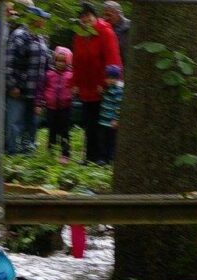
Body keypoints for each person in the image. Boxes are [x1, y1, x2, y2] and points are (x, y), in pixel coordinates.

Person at [72, 2, 121, 165]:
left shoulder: (105, 31)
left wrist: (106, 82)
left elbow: (113, 59)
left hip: (103, 86)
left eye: (88, 15)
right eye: (82, 16)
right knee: (89, 122)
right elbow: (76, 62)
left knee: (104, 123)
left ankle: (104, 157)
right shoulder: (79, 35)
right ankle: (90, 156)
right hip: (86, 86)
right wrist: (75, 83)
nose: (85, 19)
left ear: (94, 16)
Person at [5, 5, 52, 154]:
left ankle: (27, 153)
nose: (44, 21)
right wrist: (13, 85)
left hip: (36, 91)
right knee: (14, 123)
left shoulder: (41, 37)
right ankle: (11, 153)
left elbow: (46, 64)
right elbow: (9, 63)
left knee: (31, 123)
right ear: (34, 20)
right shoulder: (20, 35)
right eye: (42, 18)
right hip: (20, 89)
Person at [42, 46, 75, 163]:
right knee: (52, 130)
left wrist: (73, 94)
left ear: (68, 62)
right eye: (58, 60)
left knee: (64, 131)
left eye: (63, 61)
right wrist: (43, 100)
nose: (60, 63)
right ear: (54, 60)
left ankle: (65, 154)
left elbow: (74, 88)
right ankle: (50, 153)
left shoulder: (70, 75)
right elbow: (44, 88)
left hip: (65, 108)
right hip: (51, 108)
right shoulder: (49, 74)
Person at [98, 64, 123, 164]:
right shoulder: (107, 89)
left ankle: (110, 158)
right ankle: (102, 158)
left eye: (113, 78)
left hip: (111, 122)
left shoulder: (118, 90)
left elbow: (118, 106)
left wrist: (116, 119)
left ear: (117, 78)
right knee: (102, 140)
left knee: (111, 141)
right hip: (103, 121)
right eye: (109, 78)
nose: (110, 80)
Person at [102, 1, 131, 67]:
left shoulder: (129, 27)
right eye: (104, 15)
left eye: (109, 15)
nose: (106, 18)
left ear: (118, 13)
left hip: (125, 66)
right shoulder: (104, 27)